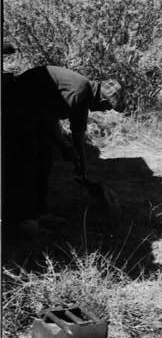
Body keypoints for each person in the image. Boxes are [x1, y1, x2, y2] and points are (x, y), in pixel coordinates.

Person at [5, 65, 123, 228]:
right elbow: (47, 118)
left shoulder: (85, 94)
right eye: (108, 108)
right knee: (29, 160)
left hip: (34, 114)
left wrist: (82, 165)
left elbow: (78, 133)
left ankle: (40, 212)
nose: (105, 111)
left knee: (44, 160)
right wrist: (63, 145)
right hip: (17, 105)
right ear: (102, 101)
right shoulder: (80, 91)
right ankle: (22, 219)